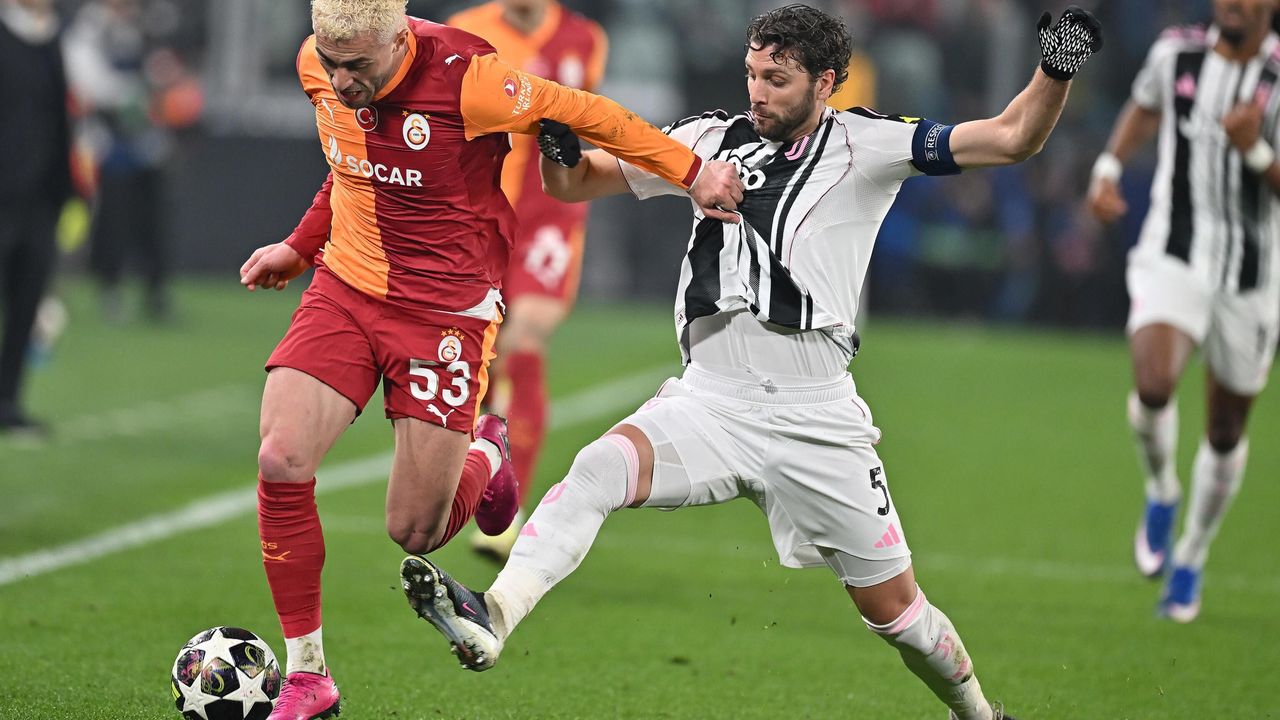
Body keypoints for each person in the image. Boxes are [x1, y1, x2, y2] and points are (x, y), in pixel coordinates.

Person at [398, 4, 1101, 719]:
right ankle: (494, 613)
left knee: (898, 616)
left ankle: (978, 713)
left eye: (778, 79)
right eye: (753, 74)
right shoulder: (705, 139)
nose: (758, 92)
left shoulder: (870, 143)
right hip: (710, 400)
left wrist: (1057, 67)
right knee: (598, 469)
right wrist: (560, 151)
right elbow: (576, 185)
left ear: (826, 82)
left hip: (815, 415)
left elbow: (1012, 138)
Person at [232, 1, 743, 718]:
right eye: (332, 63)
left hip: (444, 311)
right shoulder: (317, 64)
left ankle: (488, 454)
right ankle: (308, 676)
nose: (341, 80)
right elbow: (347, 166)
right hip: (346, 288)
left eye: (359, 66)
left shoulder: (469, 77)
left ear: (399, 37)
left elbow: (592, 113)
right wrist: (299, 246)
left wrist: (693, 172)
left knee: (415, 531)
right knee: (281, 458)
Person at [1088, 0, 1280, 623]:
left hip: (1251, 277)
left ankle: (1192, 552)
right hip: (1174, 252)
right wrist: (1109, 167)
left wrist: (1256, 152)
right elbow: (1146, 105)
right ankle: (1161, 489)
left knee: (1225, 430)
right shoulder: (1177, 54)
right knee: (1153, 383)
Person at [447, 0, 609, 562]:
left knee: (525, 341)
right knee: (483, 357)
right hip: (479, 213)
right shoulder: (464, 31)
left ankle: (507, 514)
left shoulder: (585, 39)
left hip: (550, 217)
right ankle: (487, 469)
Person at [0, 0, 72, 439]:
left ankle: (7, 400)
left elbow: (59, 119)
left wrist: (65, 186)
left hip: (42, 195)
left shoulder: (50, 38)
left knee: (27, 301)